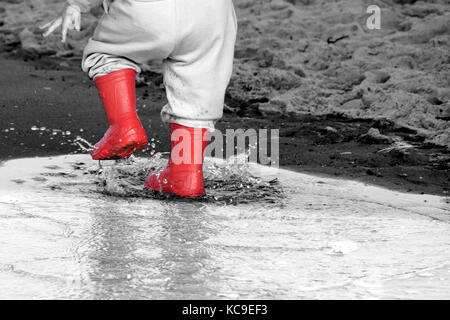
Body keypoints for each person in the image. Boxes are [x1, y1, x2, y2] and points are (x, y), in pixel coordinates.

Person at [41, 0, 237, 197]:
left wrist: (76, 4)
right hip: (211, 14)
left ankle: (124, 126)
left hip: (149, 9)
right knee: (199, 84)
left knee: (108, 54)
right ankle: (185, 176)